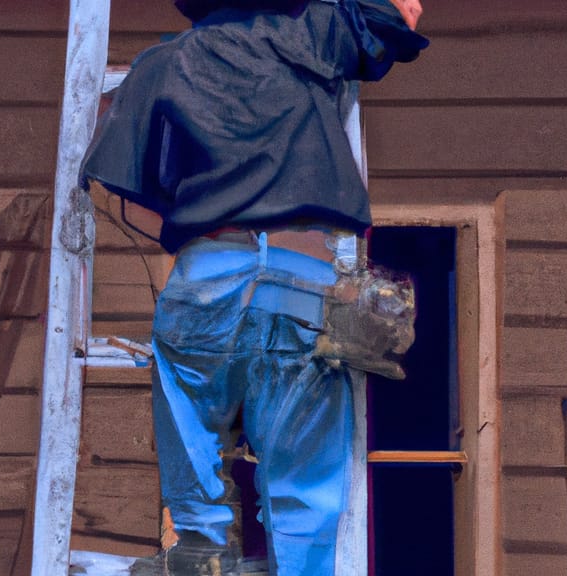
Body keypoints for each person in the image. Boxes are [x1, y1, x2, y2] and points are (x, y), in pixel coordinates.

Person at [81, 1, 427, 574]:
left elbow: (125, 190)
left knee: (188, 400)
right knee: (305, 485)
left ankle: (199, 542)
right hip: (303, 274)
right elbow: (402, 9)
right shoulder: (322, 34)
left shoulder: (162, 64)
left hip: (206, 272)